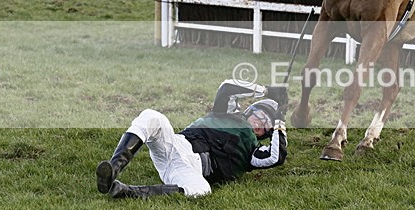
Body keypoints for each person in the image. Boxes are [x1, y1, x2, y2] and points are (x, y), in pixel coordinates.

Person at [95, 80, 288, 199]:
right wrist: (267, 91)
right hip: (176, 145)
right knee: (151, 116)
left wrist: (280, 120)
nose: (260, 124)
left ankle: (126, 191)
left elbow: (276, 156)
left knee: (201, 190)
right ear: (250, 111)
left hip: (188, 171)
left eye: (266, 126)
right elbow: (227, 87)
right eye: (259, 116)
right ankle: (113, 169)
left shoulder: (254, 152)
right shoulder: (227, 111)